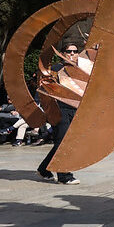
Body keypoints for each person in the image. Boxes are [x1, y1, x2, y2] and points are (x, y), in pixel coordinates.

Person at [37, 44, 81, 185]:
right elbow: (46, 88)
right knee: (63, 143)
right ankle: (64, 176)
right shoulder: (56, 69)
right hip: (60, 109)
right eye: (69, 51)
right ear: (62, 53)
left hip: (74, 109)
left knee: (61, 143)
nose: (72, 54)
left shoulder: (79, 70)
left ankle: (44, 169)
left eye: (75, 51)